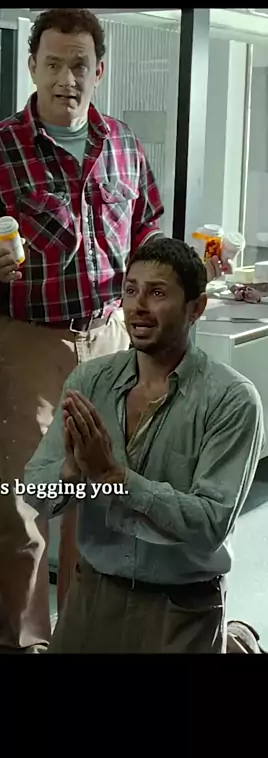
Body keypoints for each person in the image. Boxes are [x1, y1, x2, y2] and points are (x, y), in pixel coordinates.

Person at [0, 7, 169, 654]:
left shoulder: (123, 145)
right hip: (28, 345)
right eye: (54, 64)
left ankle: (83, 639)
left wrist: (180, 267)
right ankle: (23, 646)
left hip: (110, 340)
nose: (68, 78)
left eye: (80, 66)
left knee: (96, 506)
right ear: (32, 66)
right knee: (24, 512)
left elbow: (146, 228)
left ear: (100, 71)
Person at [23, 237, 264, 653]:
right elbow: (34, 492)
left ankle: (235, 640)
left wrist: (114, 477)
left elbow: (210, 524)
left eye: (157, 293)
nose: (138, 306)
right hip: (93, 593)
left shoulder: (231, 400)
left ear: (196, 308)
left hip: (181, 605)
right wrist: (71, 472)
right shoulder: (90, 382)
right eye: (131, 290)